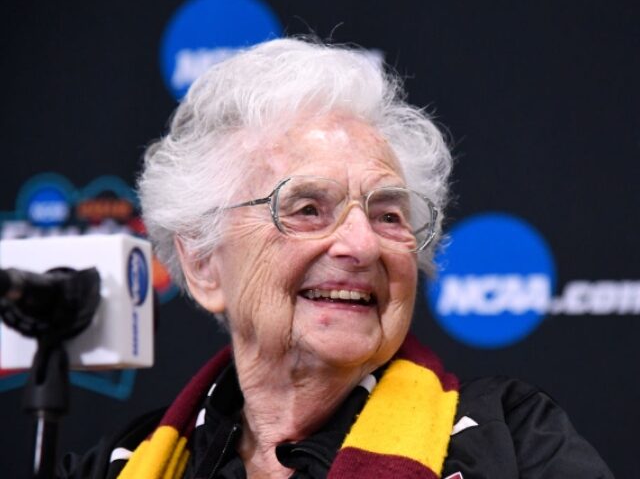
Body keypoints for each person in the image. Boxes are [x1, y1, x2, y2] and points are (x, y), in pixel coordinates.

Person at [58, 37, 613, 479]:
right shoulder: (124, 464)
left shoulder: (513, 442)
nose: (362, 244)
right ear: (203, 263)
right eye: (305, 208)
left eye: (389, 215)